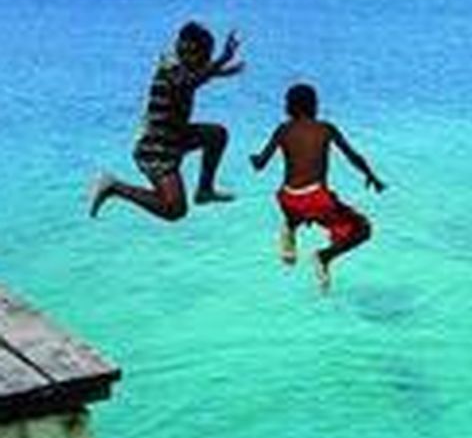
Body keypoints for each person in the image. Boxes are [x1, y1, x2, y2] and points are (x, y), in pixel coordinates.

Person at [91, 21, 242, 221]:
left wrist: (221, 70)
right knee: (175, 210)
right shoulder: (172, 71)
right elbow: (189, 81)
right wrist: (223, 59)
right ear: (190, 52)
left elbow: (195, 76)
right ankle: (113, 187)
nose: (203, 63)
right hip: (155, 149)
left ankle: (205, 190)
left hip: (176, 138)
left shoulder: (180, 68)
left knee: (217, 134)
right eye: (203, 58)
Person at [250, 83, 384, 290]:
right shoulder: (326, 128)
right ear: (314, 106)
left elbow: (260, 164)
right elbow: (353, 156)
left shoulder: (283, 130)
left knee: (300, 207)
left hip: (286, 198)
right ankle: (324, 257)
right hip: (316, 199)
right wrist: (371, 176)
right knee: (363, 229)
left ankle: (290, 228)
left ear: (288, 107)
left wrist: (254, 159)